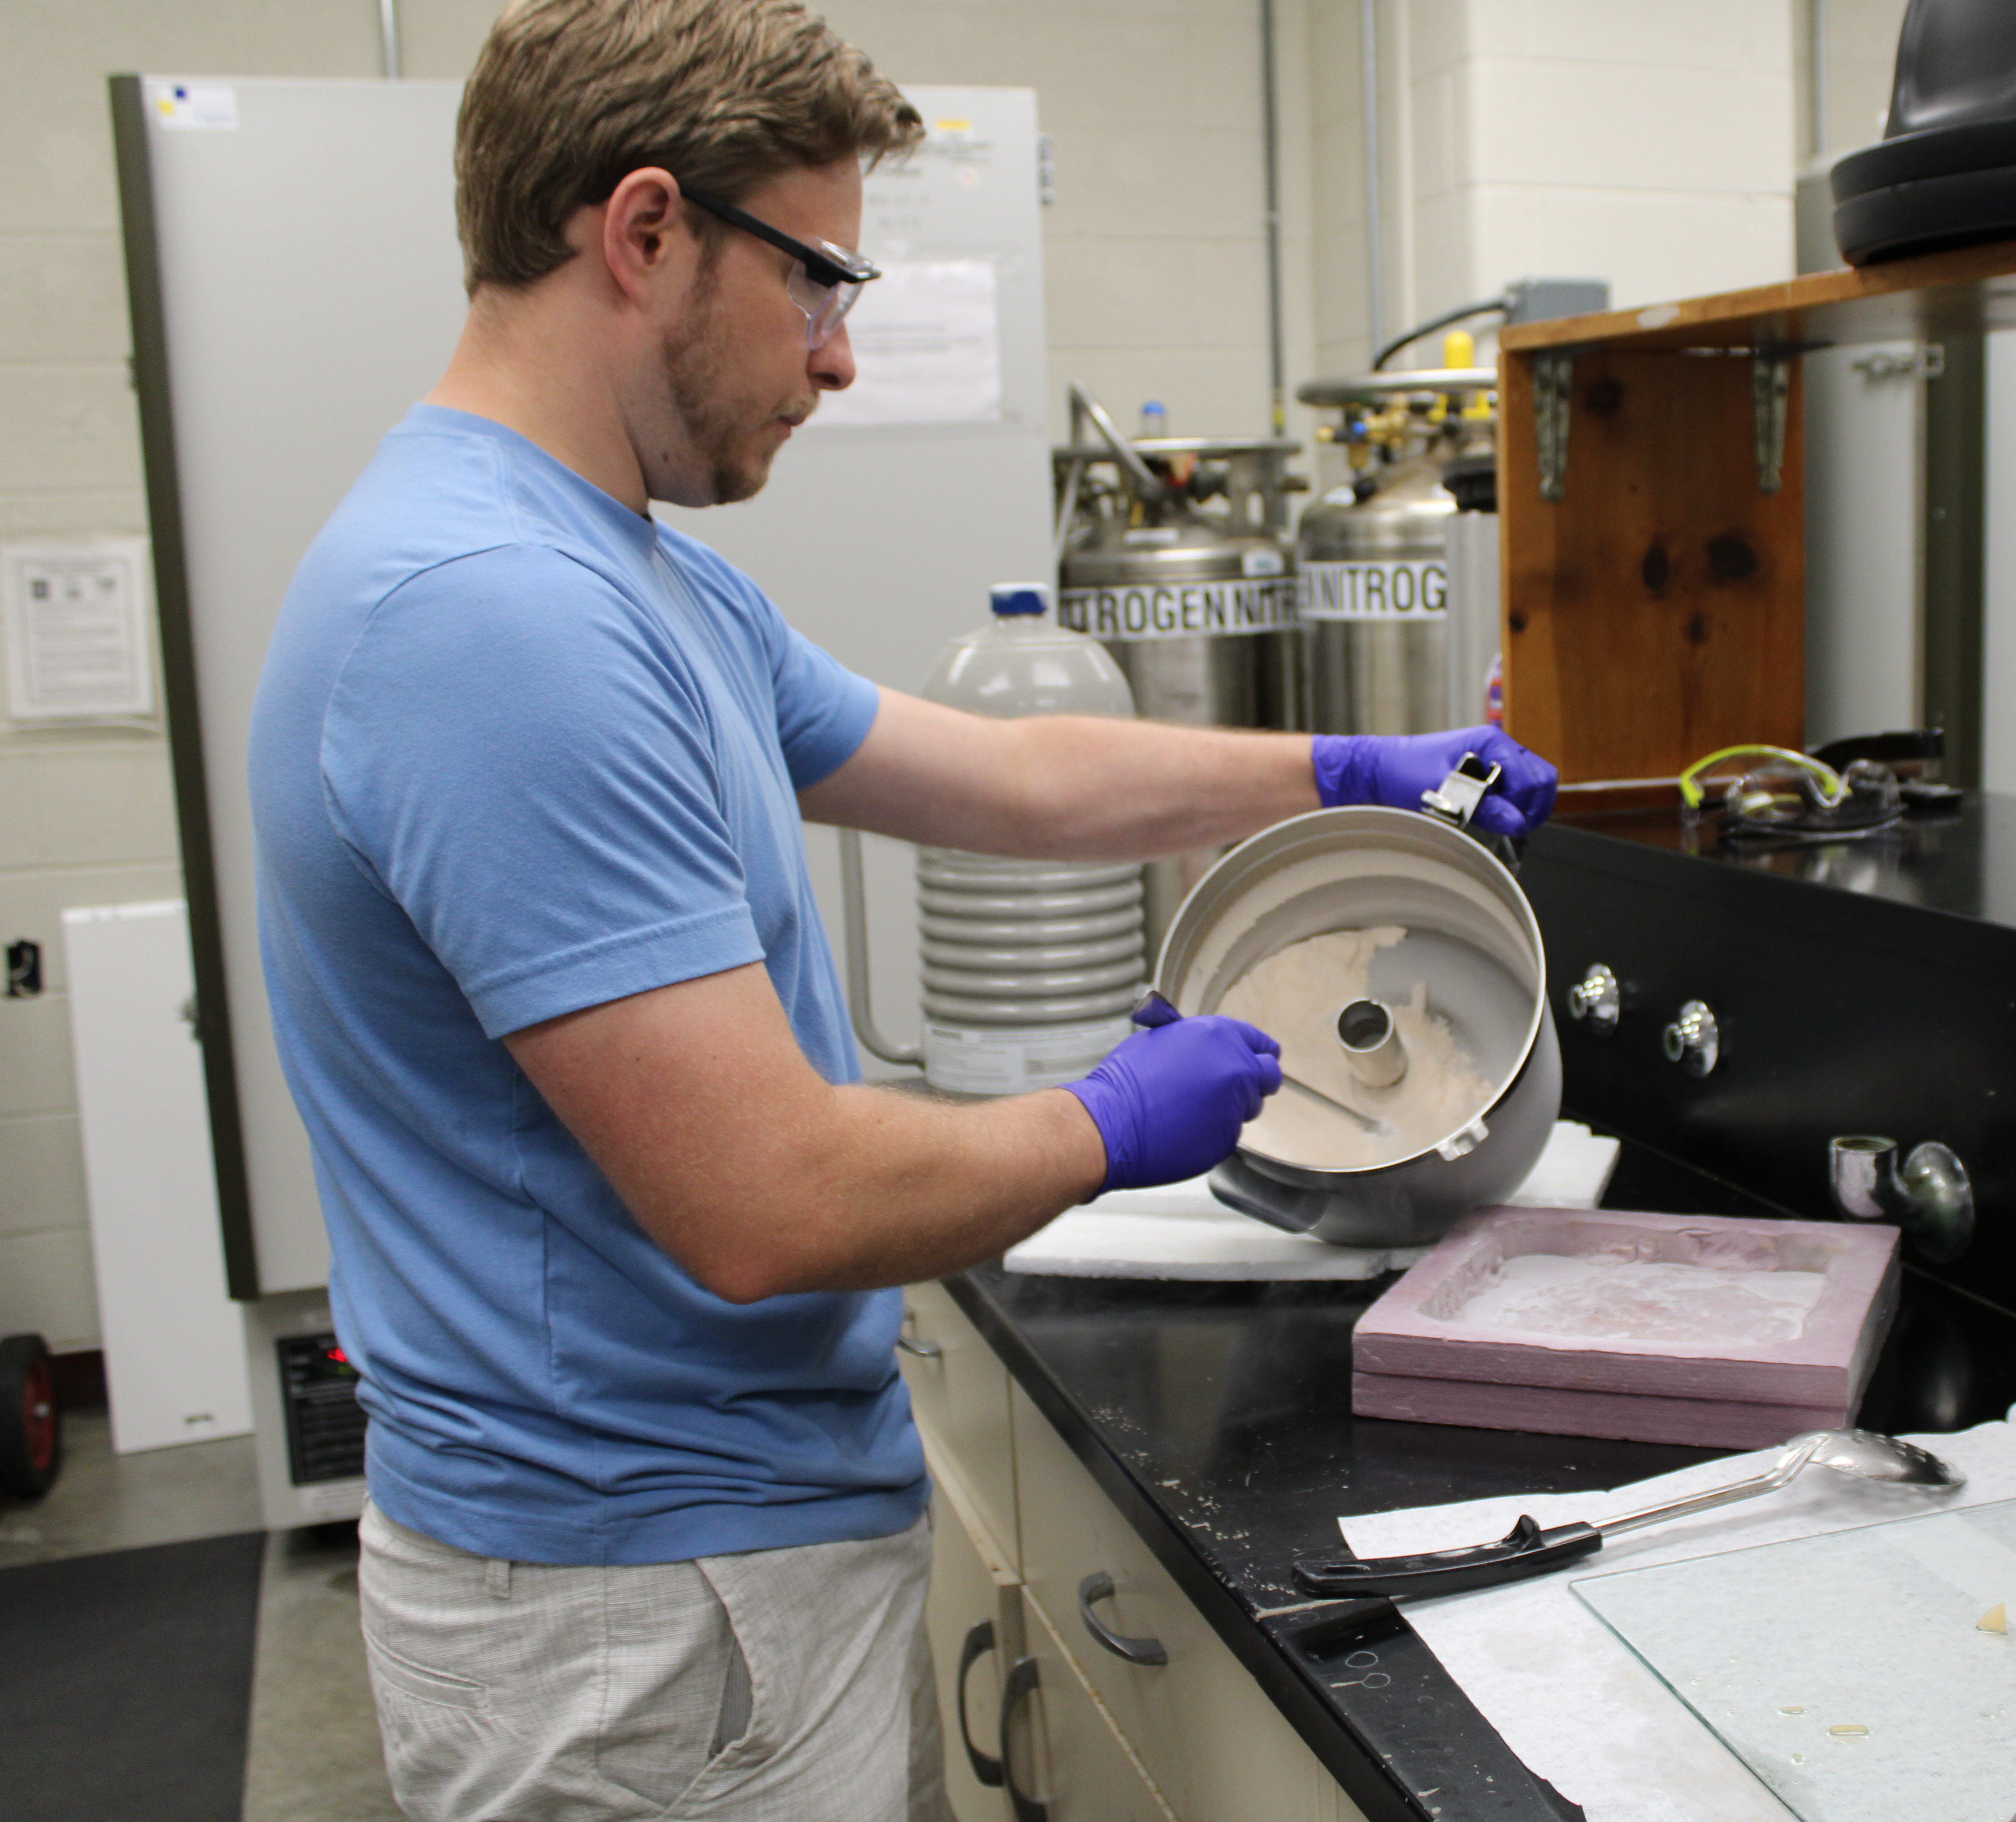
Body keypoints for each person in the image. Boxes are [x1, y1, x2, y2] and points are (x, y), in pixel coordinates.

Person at [243, 3, 1557, 1817]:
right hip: (642, 1611)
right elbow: (765, 1203)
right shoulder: (494, 620)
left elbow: (1004, 774)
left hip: (707, 1569)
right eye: (818, 283)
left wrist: (1339, 767)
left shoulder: (627, 577)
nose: (841, 357)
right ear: (643, 233)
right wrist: (1103, 1126)